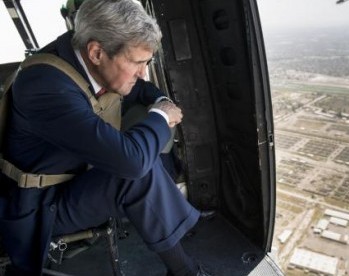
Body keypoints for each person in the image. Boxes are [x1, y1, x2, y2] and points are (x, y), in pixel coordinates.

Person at [0, 0, 209, 275]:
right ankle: (185, 270)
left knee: (152, 156)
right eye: (137, 63)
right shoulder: (46, 86)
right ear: (97, 52)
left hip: (69, 180)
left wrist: (159, 100)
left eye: (147, 63)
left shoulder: (82, 59)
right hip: (36, 205)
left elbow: (136, 88)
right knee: (137, 172)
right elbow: (131, 162)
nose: (143, 72)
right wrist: (160, 116)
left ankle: (174, 230)